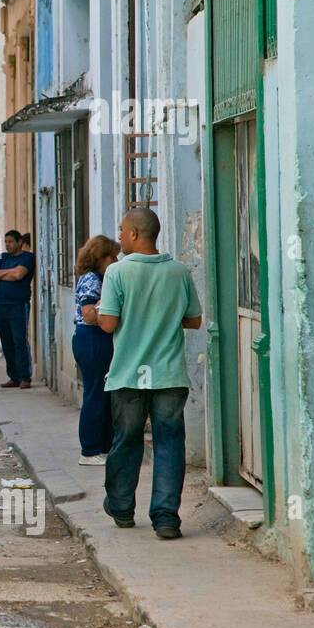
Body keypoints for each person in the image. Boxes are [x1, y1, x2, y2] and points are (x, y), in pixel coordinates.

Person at [96, 207, 202, 540]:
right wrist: (164, 319)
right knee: (170, 443)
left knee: (126, 441)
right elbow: (194, 320)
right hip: (168, 375)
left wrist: (96, 317)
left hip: (128, 374)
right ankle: (166, 517)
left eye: (122, 230)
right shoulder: (179, 272)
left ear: (134, 234)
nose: (119, 236)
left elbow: (109, 322)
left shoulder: (117, 272)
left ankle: (122, 507)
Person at [72, 235, 121, 466]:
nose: (116, 259)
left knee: (104, 394)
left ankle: (104, 445)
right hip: (91, 339)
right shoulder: (91, 280)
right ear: (99, 258)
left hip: (98, 339)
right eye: (111, 256)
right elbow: (89, 315)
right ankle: (89, 450)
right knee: (95, 394)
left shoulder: (101, 278)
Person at [0, 229, 36, 388]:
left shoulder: (28, 257)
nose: (7, 245)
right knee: (6, 342)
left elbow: (19, 275)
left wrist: (1, 273)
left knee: (19, 340)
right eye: (6, 242)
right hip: (2, 305)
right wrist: (10, 273)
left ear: (19, 242)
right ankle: (13, 376)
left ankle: (24, 377)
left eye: (11, 242)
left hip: (18, 305)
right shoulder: (2, 257)